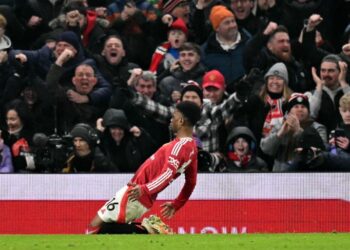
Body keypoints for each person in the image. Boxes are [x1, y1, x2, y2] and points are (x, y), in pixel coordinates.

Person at [85, 101, 201, 234]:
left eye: (174, 116)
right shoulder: (191, 148)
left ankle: (147, 230)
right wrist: (177, 204)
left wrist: (145, 189)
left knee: (99, 228)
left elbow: (167, 173)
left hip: (137, 192)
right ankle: (147, 229)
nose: (171, 120)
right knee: (101, 228)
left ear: (180, 121)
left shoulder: (179, 146)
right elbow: (191, 182)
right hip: (139, 193)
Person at [260, 93, 327, 172]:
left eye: (303, 107)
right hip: (281, 175)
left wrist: (299, 131)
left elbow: (322, 151)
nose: (300, 109)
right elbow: (265, 149)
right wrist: (280, 134)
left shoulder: (318, 128)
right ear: (289, 111)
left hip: (307, 174)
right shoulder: (279, 126)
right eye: (296, 107)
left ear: (308, 111)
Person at [202, 5, 250, 92]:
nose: (232, 25)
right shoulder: (206, 50)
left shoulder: (249, 43)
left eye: (233, 21)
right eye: (227, 23)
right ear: (217, 28)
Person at [97, 108, 157, 172]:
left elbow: (152, 154)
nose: (117, 132)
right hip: (108, 179)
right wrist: (98, 133)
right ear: (108, 129)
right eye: (113, 128)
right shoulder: (102, 143)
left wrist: (142, 136)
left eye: (120, 129)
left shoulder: (134, 142)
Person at [306, 54, 350, 135]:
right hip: (321, 142)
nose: (326, 74)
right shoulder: (311, 94)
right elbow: (311, 116)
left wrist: (343, 81)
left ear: (340, 72)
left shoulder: (347, 90)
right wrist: (319, 87)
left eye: (331, 71)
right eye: (323, 70)